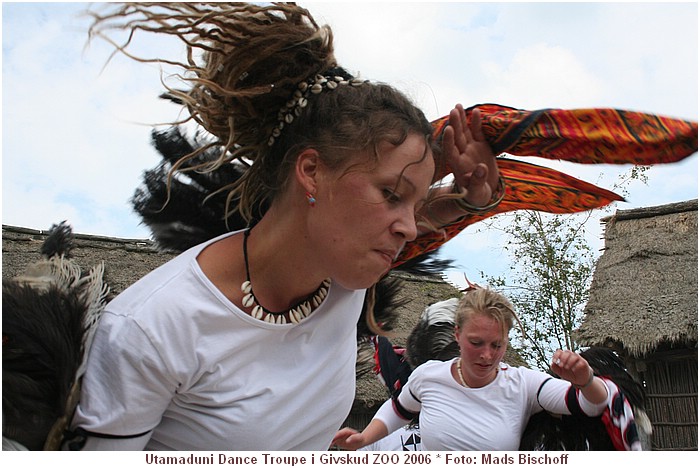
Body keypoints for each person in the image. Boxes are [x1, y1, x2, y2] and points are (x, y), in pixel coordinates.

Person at [68, 3, 503, 451]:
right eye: (391, 194)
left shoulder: (342, 274)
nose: (410, 229)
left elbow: (431, 214)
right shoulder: (152, 329)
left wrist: (474, 196)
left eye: (412, 204)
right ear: (312, 171)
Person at [333, 287, 611, 451]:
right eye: (476, 343)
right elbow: (398, 409)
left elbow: (591, 405)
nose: (487, 355)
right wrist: (365, 436)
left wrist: (586, 380)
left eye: (497, 344)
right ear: (457, 334)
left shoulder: (524, 384)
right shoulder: (428, 376)